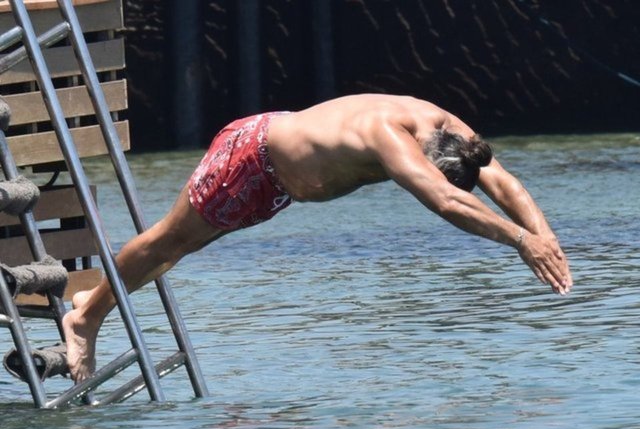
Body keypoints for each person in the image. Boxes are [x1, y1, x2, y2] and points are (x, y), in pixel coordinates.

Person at [63, 94, 572, 382]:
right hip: (252, 162)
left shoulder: (449, 130)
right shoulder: (390, 135)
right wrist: (519, 241)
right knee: (167, 242)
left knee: (183, 247)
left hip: (276, 182)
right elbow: (446, 201)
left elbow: (503, 182)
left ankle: (96, 296)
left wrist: (545, 238)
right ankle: (85, 319)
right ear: (424, 157)